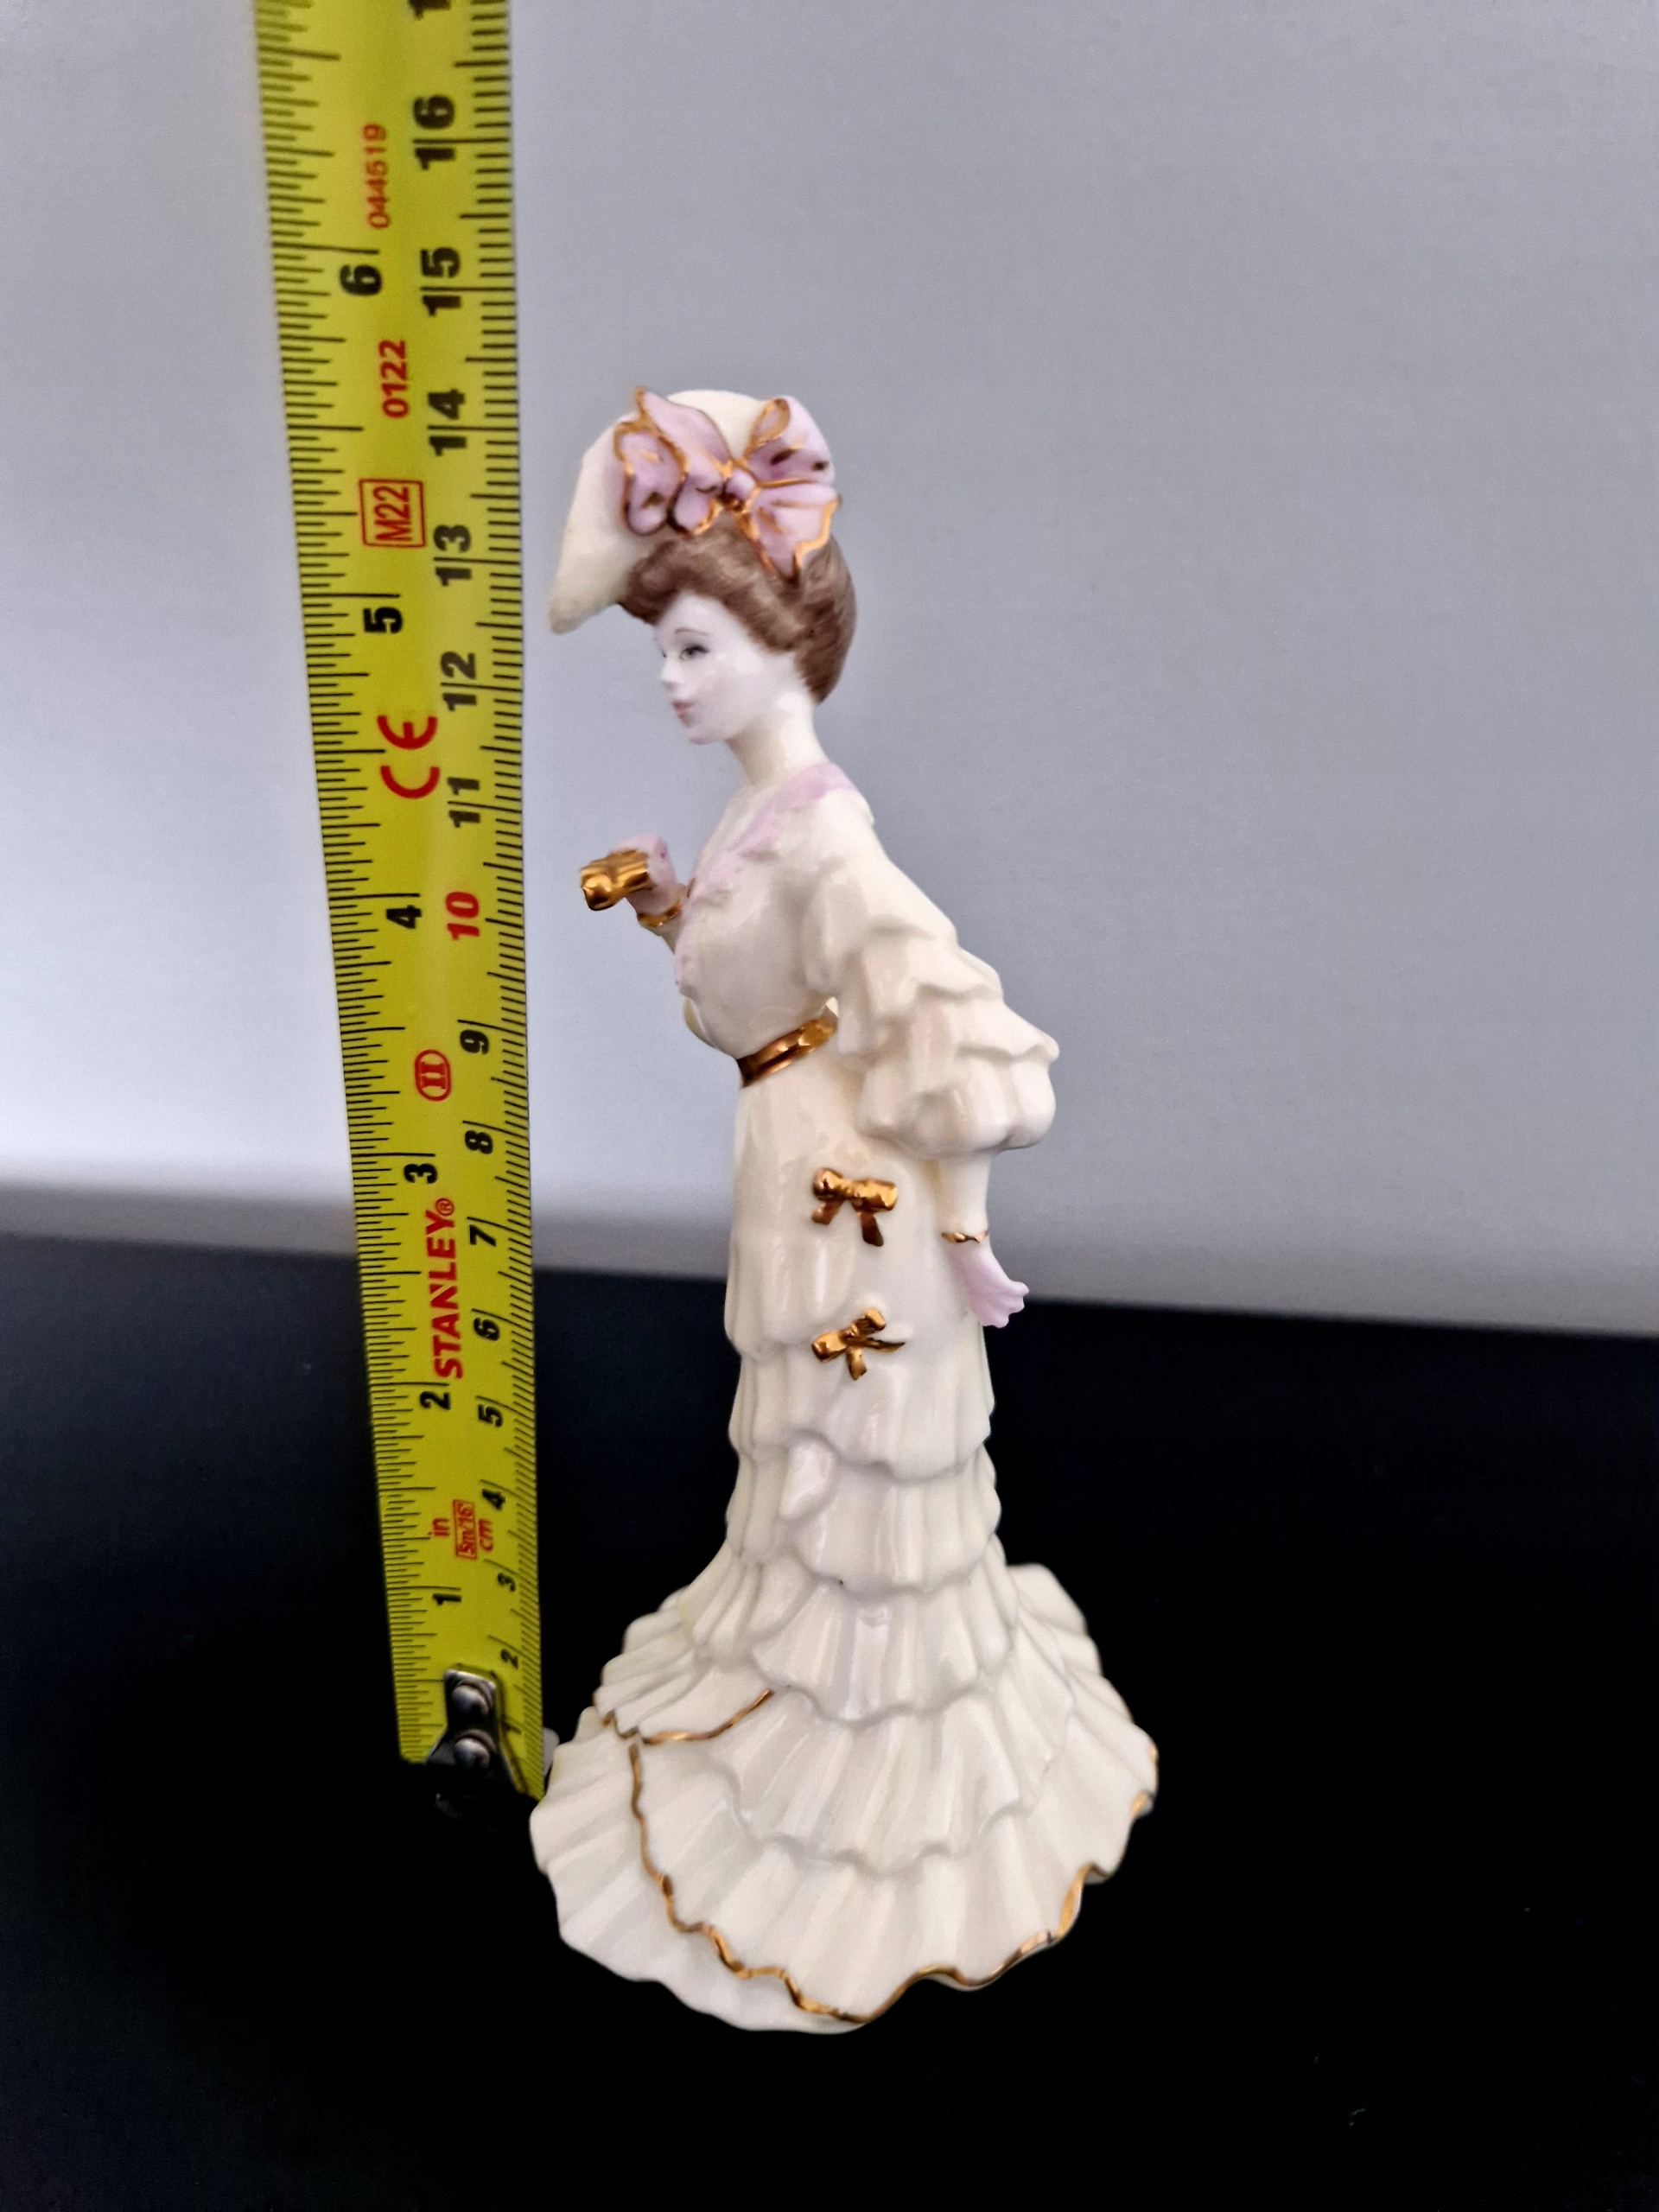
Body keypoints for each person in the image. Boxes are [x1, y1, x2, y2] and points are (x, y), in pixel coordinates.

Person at [531, 390, 1156, 2031]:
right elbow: (761, 990)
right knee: (809, 1454)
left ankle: (870, 1762)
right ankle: (796, 1673)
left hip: (848, 1193)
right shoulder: (765, 820)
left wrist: (956, 1225)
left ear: (782, 648)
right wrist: (669, 908)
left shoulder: (833, 844)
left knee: (859, 1449)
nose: (670, 681)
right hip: (801, 1159)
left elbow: (968, 1050)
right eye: (661, 650)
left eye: (693, 649)